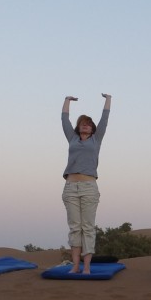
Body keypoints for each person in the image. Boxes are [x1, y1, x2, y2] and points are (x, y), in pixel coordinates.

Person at [61, 93, 111, 274]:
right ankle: (75, 266)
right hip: (70, 187)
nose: (85, 125)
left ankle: (87, 267)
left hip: (89, 186)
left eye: (89, 124)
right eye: (83, 123)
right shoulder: (72, 138)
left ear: (92, 129)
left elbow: (104, 119)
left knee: (88, 227)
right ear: (78, 127)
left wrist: (108, 99)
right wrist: (67, 101)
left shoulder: (96, 139)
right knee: (75, 227)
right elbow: (64, 119)